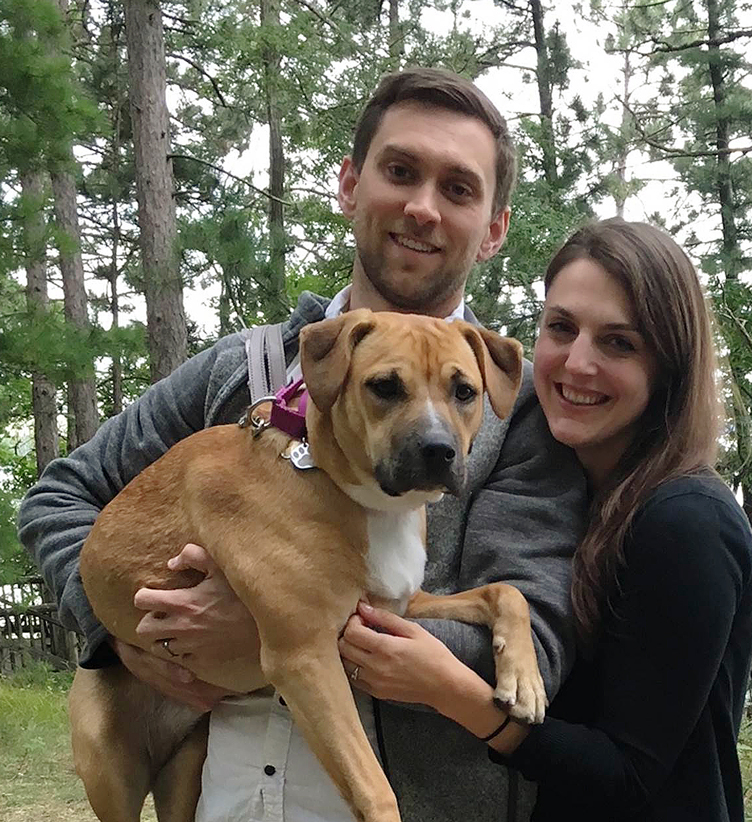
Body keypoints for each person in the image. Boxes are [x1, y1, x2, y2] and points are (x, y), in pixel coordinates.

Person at [17, 68, 587, 822]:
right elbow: (59, 497)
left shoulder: (517, 416)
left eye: (458, 188)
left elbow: (536, 650)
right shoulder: (238, 371)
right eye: (400, 171)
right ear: (350, 185)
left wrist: (284, 625)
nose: (422, 207)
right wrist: (127, 633)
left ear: (493, 228)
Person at [338, 218, 752, 821]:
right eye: (561, 328)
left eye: (619, 342)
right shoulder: (588, 498)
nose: (576, 364)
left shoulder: (686, 522)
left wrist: (450, 690)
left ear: (668, 364)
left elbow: (627, 778)